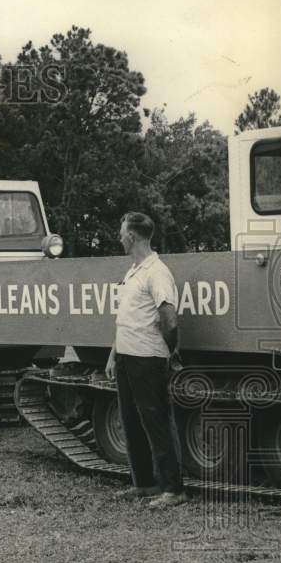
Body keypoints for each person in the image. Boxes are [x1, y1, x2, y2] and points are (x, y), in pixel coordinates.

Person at [105, 212, 185, 508]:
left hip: (147, 358)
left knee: (156, 423)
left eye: (122, 232)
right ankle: (145, 484)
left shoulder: (157, 272)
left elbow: (169, 319)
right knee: (131, 423)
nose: (119, 237)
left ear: (134, 237)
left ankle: (174, 490)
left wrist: (169, 351)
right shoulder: (134, 271)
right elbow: (128, 317)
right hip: (127, 357)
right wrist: (114, 354)